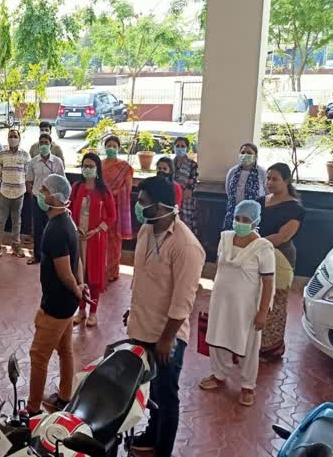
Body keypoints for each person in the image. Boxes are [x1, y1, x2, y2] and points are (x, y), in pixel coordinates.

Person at [127, 175, 205, 457]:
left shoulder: (186, 246)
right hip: (141, 325)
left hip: (165, 336)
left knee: (167, 395)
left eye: (142, 202)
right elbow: (144, 278)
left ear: (161, 207)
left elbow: (183, 300)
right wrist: (133, 310)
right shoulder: (147, 230)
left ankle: (162, 450)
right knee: (151, 392)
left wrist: (166, 339)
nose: (137, 206)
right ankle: (151, 433)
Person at [199, 200, 274, 407]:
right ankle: (218, 375)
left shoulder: (263, 248)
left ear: (256, 221)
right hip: (221, 302)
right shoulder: (225, 238)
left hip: (247, 307)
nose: (240, 223)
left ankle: (247, 385)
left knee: (248, 346)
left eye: (246, 220)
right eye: (237, 219)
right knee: (218, 338)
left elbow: (268, 283)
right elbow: (220, 269)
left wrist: (262, 312)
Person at [25, 174, 87, 415]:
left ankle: (32, 410)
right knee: (65, 350)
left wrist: (77, 289)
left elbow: (64, 272)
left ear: (57, 197)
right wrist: (80, 287)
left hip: (57, 304)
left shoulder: (56, 229)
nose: (41, 195)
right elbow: (77, 260)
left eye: (45, 191)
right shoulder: (67, 220)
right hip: (67, 303)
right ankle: (64, 395)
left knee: (38, 356)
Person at [258, 163, 305, 361]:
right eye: (268, 178)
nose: (269, 182)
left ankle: (272, 348)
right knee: (257, 299)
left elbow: (282, 236)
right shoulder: (260, 202)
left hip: (280, 258)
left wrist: (253, 243)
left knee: (275, 302)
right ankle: (254, 343)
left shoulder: (295, 208)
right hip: (257, 255)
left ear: (286, 181)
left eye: (275, 179)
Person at [69, 153, 116, 327]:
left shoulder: (104, 191)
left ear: (97, 169)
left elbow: (112, 216)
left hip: (95, 239)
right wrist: (75, 228)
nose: (87, 169)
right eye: (85, 166)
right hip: (78, 237)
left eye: (91, 166)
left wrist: (97, 230)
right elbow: (69, 209)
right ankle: (81, 310)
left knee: (94, 277)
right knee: (80, 275)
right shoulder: (76, 187)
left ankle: (93, 312)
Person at [25, 133, 65, 265]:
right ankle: (37, 256)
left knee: (53, 228)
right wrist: (35, 195)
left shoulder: (57, 162)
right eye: (41, 143)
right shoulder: (33, 162)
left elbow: (62, 181)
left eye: (46, 143)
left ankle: (53, 257)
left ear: (51, 144)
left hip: (53, 201)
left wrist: (57, 198)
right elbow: (29, 181)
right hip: (37, 199)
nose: (43, 145)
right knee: (38, 229)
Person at [0, 128, 30, 260]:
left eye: (15, 136)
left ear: (19, 138)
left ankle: (16, 246)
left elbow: (28, 173)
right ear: (7, 139)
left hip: (19, 193)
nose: (13, 138)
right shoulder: (1, 154)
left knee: (16, 221)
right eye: (10, 136)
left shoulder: (25, 155)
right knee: (0, 221)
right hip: (4, 192)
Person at [102, 135, 134, 281]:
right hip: (101, 206)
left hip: (116, 208)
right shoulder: (99, 165)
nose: (111, 148)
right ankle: (100, 268)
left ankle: (113, 271)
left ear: (119, 148)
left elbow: (127, 189)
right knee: (100, 237)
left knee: (114, 240)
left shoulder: (124, 167)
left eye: (114, 146)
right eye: (109, 146)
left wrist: (112, 193)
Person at [223, 142, 268, 230]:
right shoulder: (233, 171)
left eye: (249, 153)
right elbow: (228, 191)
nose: (245, 155)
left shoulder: (262, 172)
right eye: (243, 153)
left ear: (255, 156)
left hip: (252, 215)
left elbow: (267, 192)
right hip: (234, 213)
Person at [173, 137, 199, 234]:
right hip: (170, 200)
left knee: (185, 228)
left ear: (187, 148)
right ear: (174, 147)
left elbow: (191, 186)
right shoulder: (169, 164)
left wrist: (180, 197)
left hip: (186, 201)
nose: (180, 148)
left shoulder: (192, 165)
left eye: (183, 146)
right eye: (177, 146)